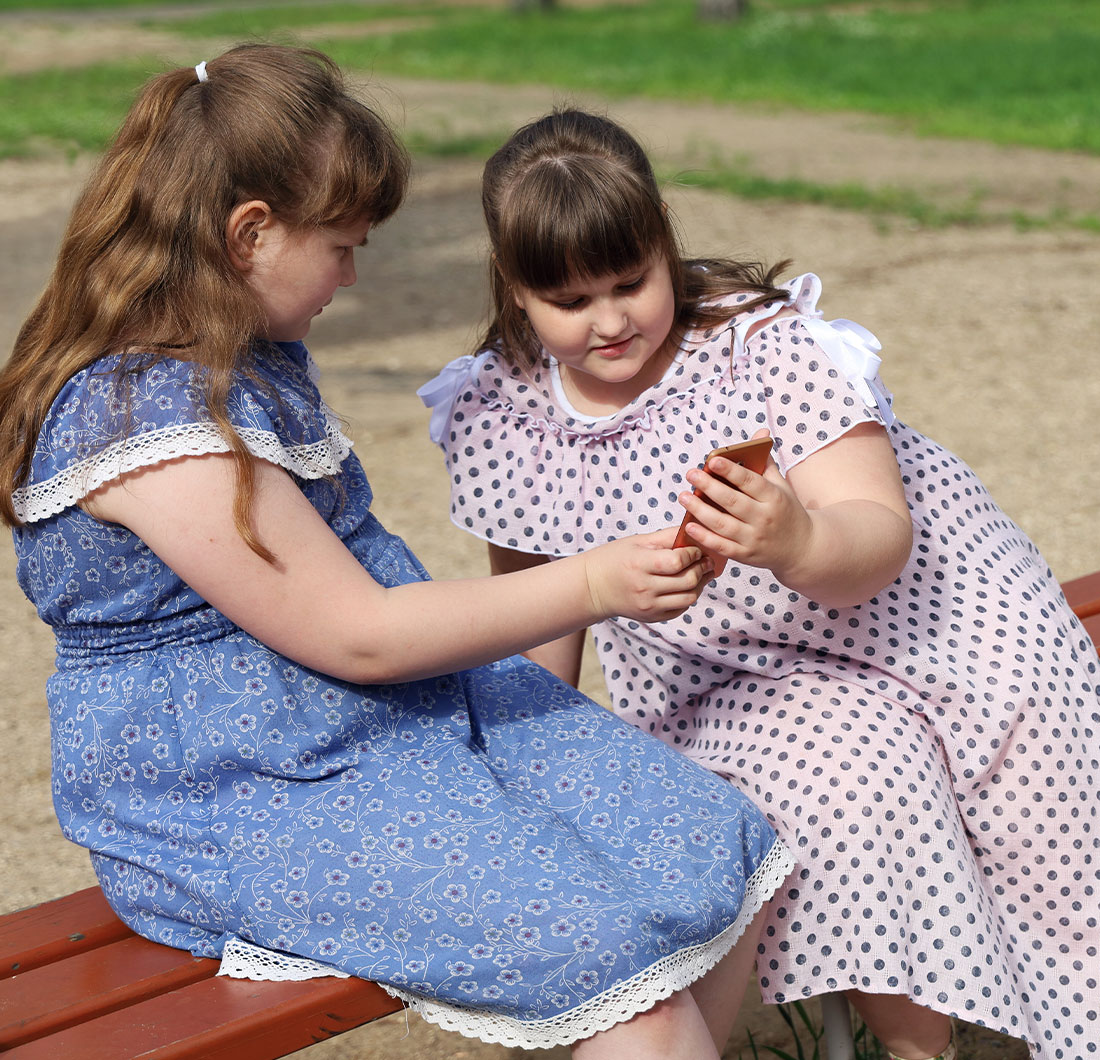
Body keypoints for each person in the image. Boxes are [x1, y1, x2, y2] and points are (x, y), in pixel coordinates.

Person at [0, 48, 794, 1058]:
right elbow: (360, 634)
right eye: (341, 245)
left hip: (380, 724)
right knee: (609, 960)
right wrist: (590, 583)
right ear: (250, 234)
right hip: (242, 787)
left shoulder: (242, 357)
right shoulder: (142, 422)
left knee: (704, 842)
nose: (355, 272)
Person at [419, 108, 1100, 1060]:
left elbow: (879, 535)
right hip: (735, 677)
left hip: (931, 621)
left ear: (664, 245)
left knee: (1043, 823)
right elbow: (538, 627)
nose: (609, 321)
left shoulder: (765, 347)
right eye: (568, 300)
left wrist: (793, 537)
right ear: (515, 292)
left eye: (631, 283)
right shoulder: (504, 412)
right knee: (848, 781)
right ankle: (921, 1045)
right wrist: (520, 774)